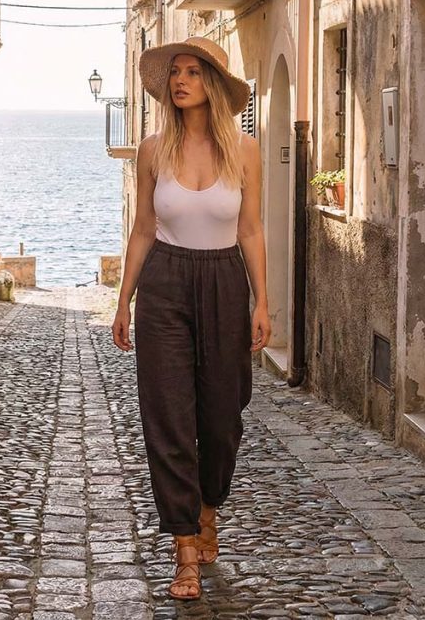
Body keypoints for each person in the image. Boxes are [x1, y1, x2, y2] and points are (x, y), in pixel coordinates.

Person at [111, 37, 271, 601]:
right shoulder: (153, 149)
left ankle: (208, 506)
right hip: (165, 285)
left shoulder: (245, 151)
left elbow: (250, 229)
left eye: (192, 73)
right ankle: (184, 549)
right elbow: (143, 230)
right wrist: (124, 298)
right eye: (175, 73)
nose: (180, 81)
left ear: (213, 86)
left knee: (224, 416)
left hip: (226, 281)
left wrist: (262, 301)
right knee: (168, 417)